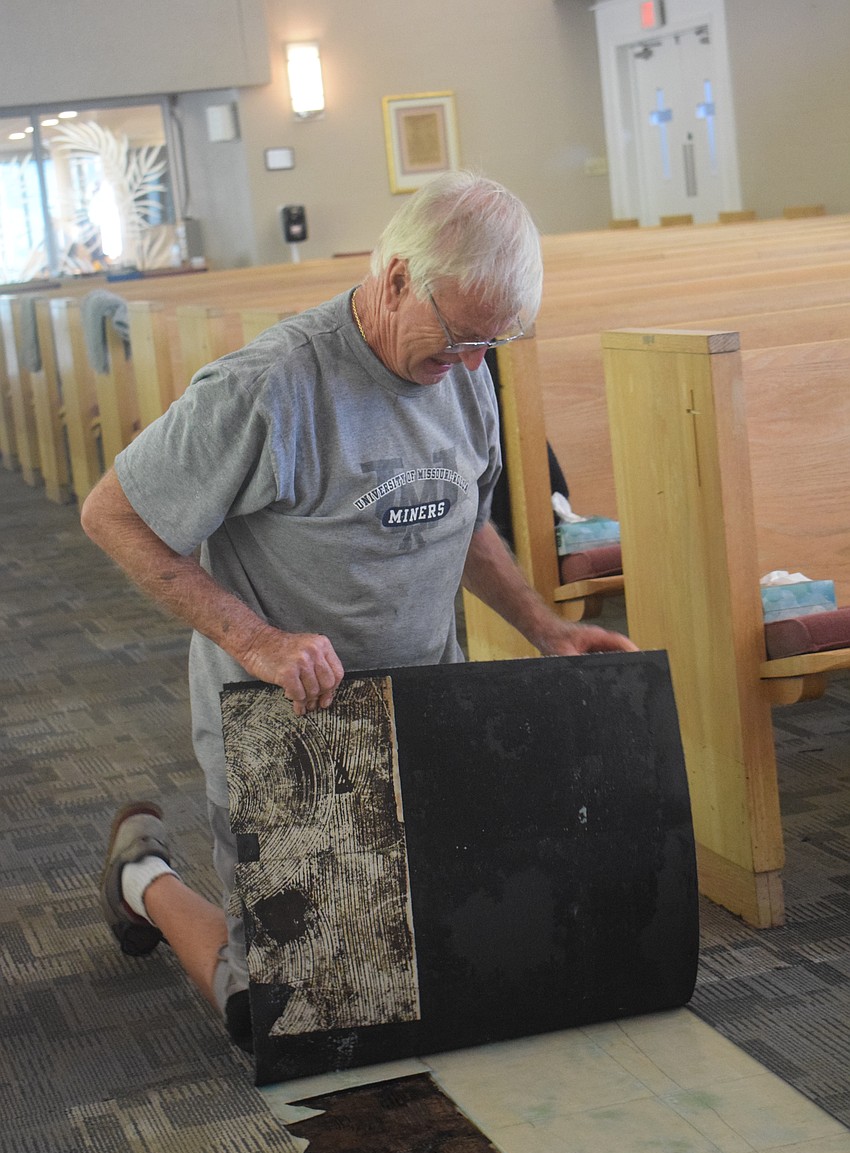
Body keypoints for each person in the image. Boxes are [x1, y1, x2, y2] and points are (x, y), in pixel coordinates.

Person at [81, 171, 637, 1052]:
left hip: (424, 712)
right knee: (293, 1017)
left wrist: (546, 626)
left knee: (449, 968)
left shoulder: (466, 368)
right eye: (457, 339)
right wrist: (253, 639)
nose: (468, 368)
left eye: (489, 347)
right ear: (394, 280)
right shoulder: (270, 386)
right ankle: (142, 875)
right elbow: (112, 514)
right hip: (289, 732)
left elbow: (464, 518)